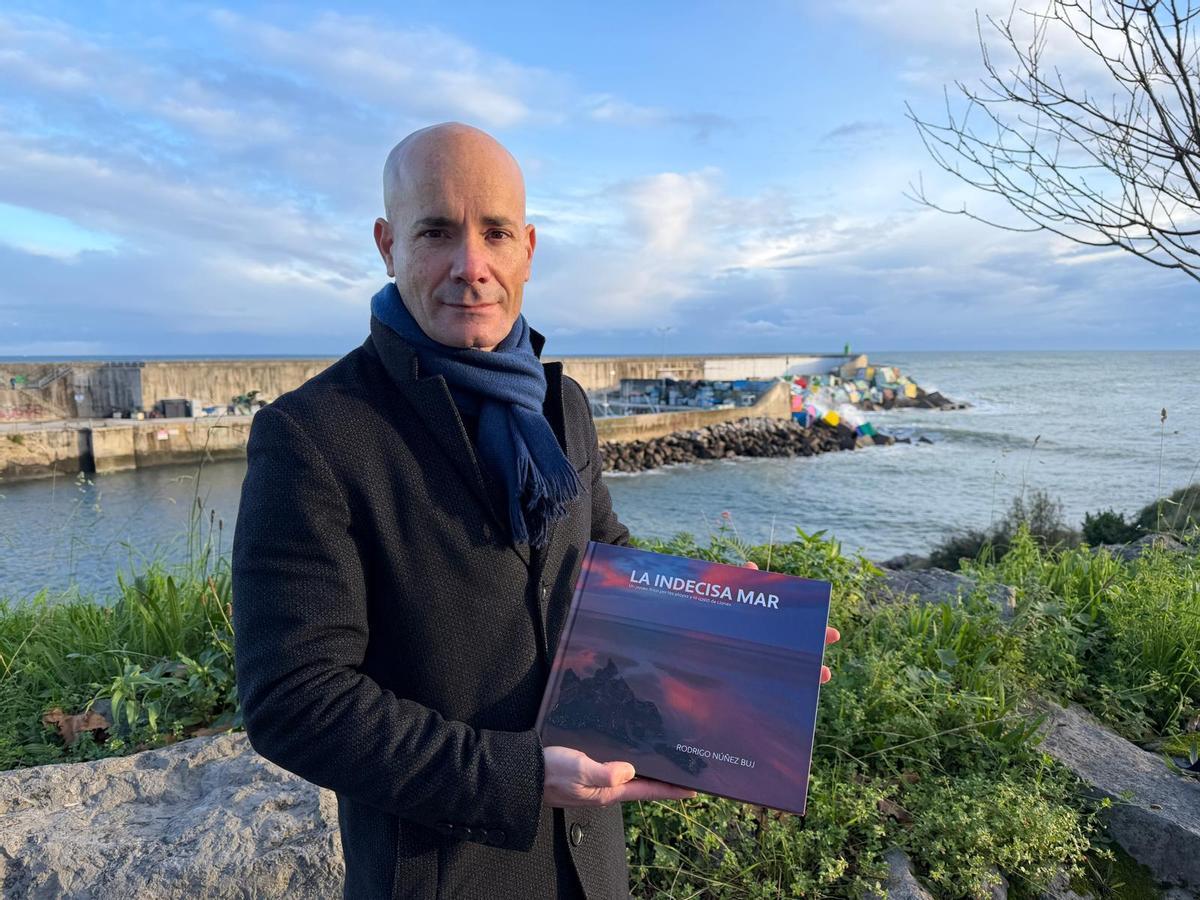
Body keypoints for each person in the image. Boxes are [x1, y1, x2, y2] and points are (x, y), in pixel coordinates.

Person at [232, 122, 837, 900]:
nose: (471, 266)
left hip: (593, 868)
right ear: (388, 244)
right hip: (439, 874)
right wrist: (518, 777)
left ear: (529, 248)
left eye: (495, 233)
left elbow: (603, 563)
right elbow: (294, 700)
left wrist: (729, 629)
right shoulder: (314, 435)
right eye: (436, 232)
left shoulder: (563, 407)